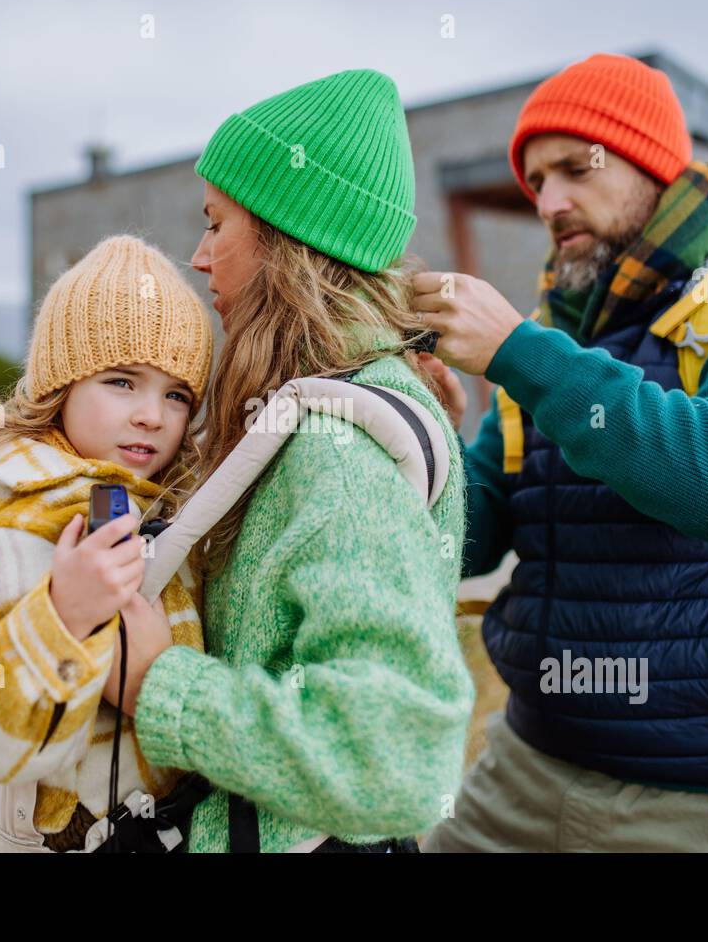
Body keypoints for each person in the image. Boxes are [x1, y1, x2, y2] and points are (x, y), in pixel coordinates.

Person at [412, 53, 708, 852]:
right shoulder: (553, 344)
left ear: (656, 170)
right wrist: (421, 437)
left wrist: (518, 354)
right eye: (536, 181)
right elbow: (467, 545)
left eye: (577, 168)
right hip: (524, 766)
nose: (550, 201)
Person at [117, 68, 475, 853]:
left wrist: (159, 686)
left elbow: (396, 759)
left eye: (217, 225)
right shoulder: (317, 411)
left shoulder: (336, 446)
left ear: (287, 239)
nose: (199, 256)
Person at [0, 235, 213, 852]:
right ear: (60, 384)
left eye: (176, 394)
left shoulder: (172, 506)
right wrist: (65, 615)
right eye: (121, 381)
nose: (152, 416)